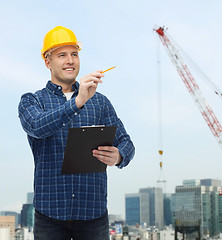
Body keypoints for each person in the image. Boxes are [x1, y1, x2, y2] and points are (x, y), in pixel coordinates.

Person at [18, 26, 135, 240]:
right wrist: (77, 102)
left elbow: (126, 142)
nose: (70, 60)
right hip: (49, 217)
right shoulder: (32, 101)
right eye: (62, 55)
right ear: (47, 62)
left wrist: (118, 155)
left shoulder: (100, 102)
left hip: (94, 216)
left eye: (74, 54)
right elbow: (37, 126)